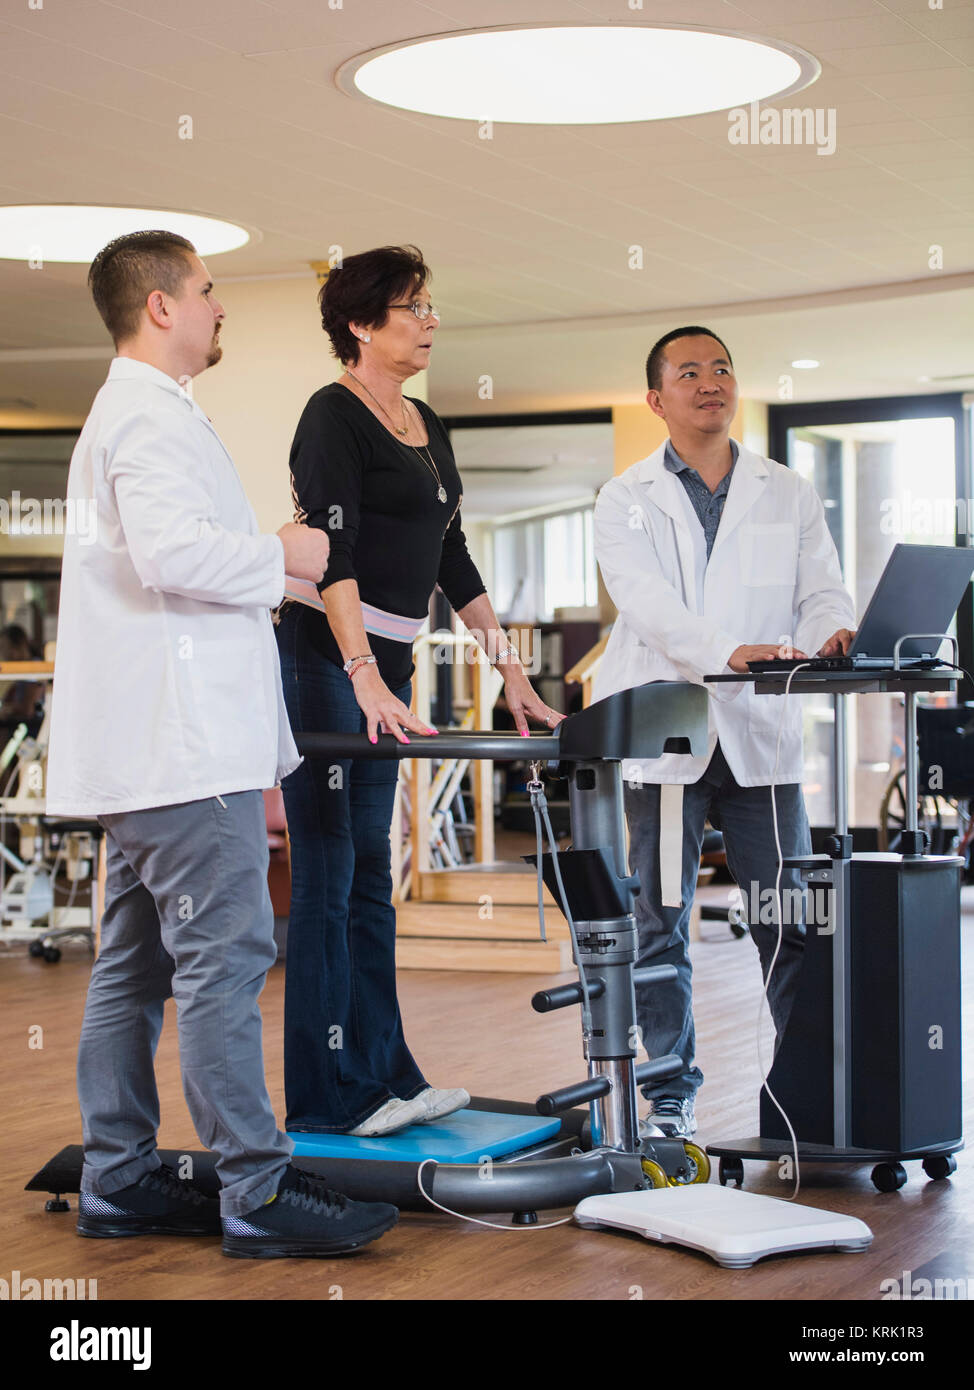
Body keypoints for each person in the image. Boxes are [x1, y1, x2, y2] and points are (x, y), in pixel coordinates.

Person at [45, 229, 398, 1259]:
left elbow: (173, 564)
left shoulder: (145, 415)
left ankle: (118, 1179)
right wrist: (277, 552)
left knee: (134, 968)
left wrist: (274, 573)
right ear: (160, 305)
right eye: (205, 291)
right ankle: (256, 1187)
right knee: (224, 962)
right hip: (183, 752)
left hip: (162, 749)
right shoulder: (144, 420)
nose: (218, 306)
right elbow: (169, 556)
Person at [277, 244, 562, 1137]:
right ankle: (328, 1096)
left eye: (431, 305)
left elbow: (452, 556)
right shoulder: (332, 416)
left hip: (385, 668)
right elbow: (335, 555)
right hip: (325, 659)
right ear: (362, 324)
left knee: (372, 873)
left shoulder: (427, 421)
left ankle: (385, 1075)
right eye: (413, 308)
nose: (431, 320)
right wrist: (360, 674)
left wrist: (509, 669)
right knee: (327, 875)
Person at [591, 325, 856, 1139]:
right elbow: (648, 605)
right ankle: (670, 1100)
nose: (712, 382)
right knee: (660, 924)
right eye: (690, 371)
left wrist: (831, 634)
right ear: (656, 398)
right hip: (666, 733)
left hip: (761, 735)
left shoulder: (787, 489)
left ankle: (804, 1092)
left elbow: (823, 589)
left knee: (792, 917)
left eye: (723, 369)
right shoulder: (623, 499)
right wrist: (725, 653)